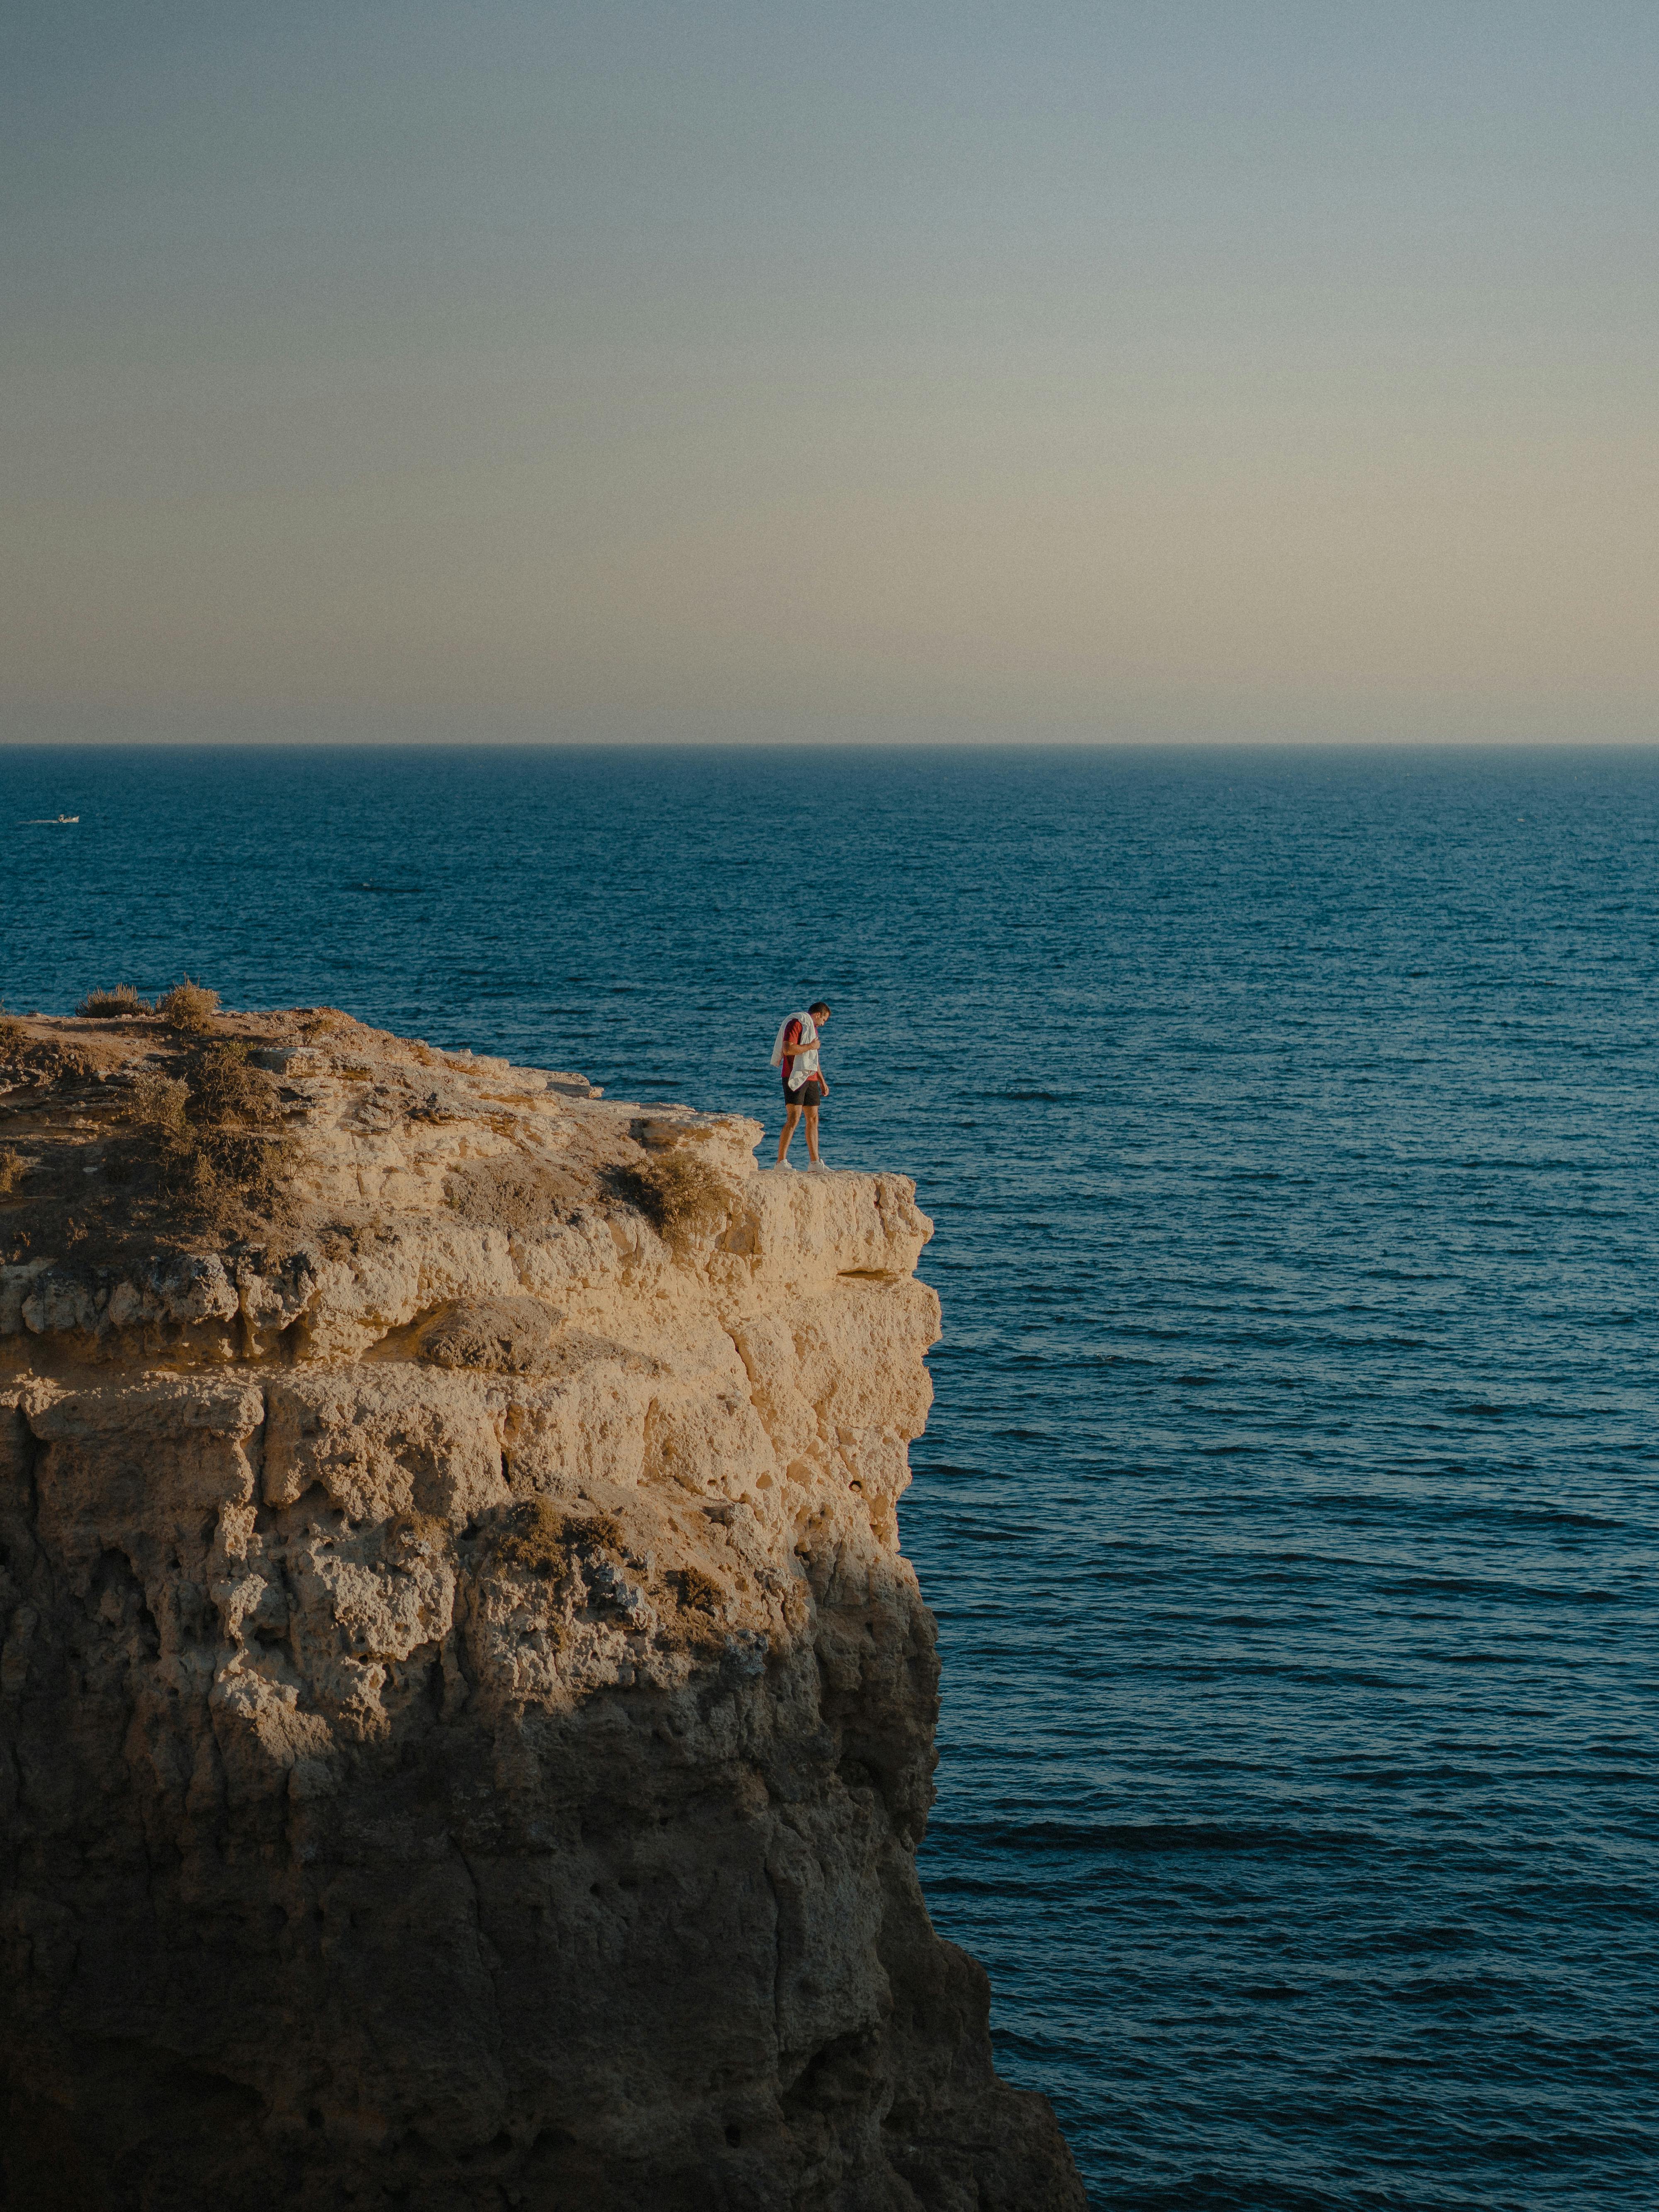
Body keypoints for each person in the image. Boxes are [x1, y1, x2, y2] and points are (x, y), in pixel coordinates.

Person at [770, 1000, 831, 1169]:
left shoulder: (812, 1029)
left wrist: (822, 1081)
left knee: (813, 1118)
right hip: (793, 1075)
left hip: (810, 1077)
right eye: (824, 1020)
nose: (823, 1024)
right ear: (818, 1014)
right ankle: (781, 1162)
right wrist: (811, 1045)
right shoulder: (796, 1024)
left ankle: (815, 1162)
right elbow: (788, 1049)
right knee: (794, 1118)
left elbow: (813, 1058)